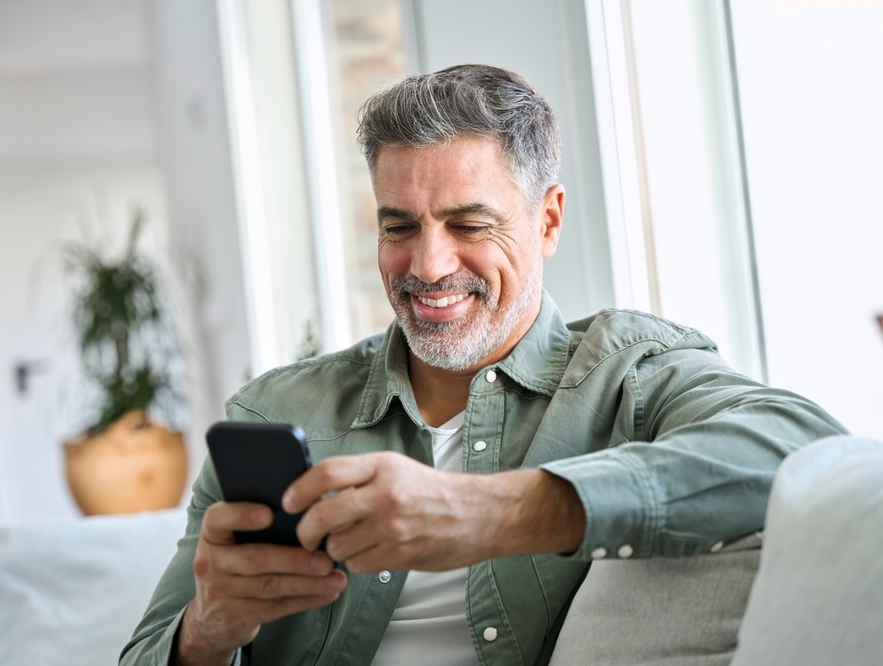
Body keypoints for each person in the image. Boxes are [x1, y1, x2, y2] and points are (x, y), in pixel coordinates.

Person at [120, 64, 845, 666]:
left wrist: (494, 513)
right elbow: (148, 650)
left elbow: (806, 448)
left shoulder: (629, 374)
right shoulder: (276, 412)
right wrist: (206, 633)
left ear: (549, 220)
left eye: (469, 225)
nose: (428, 266)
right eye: (398, 227)